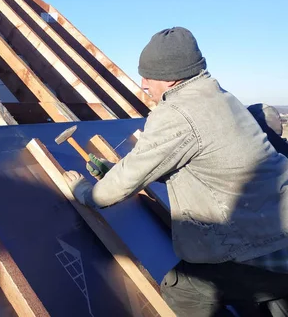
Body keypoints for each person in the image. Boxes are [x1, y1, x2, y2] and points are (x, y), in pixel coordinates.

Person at [63, 27, 288, 316]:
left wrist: (84, 192)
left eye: (148, 76)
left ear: (170, 77)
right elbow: (188, 159)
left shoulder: (179, 113)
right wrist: (118, 170)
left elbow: (116, 189)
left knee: (183, 288)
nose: (143, 84)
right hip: (276, 233)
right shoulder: (216, 96)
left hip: (260, 246)